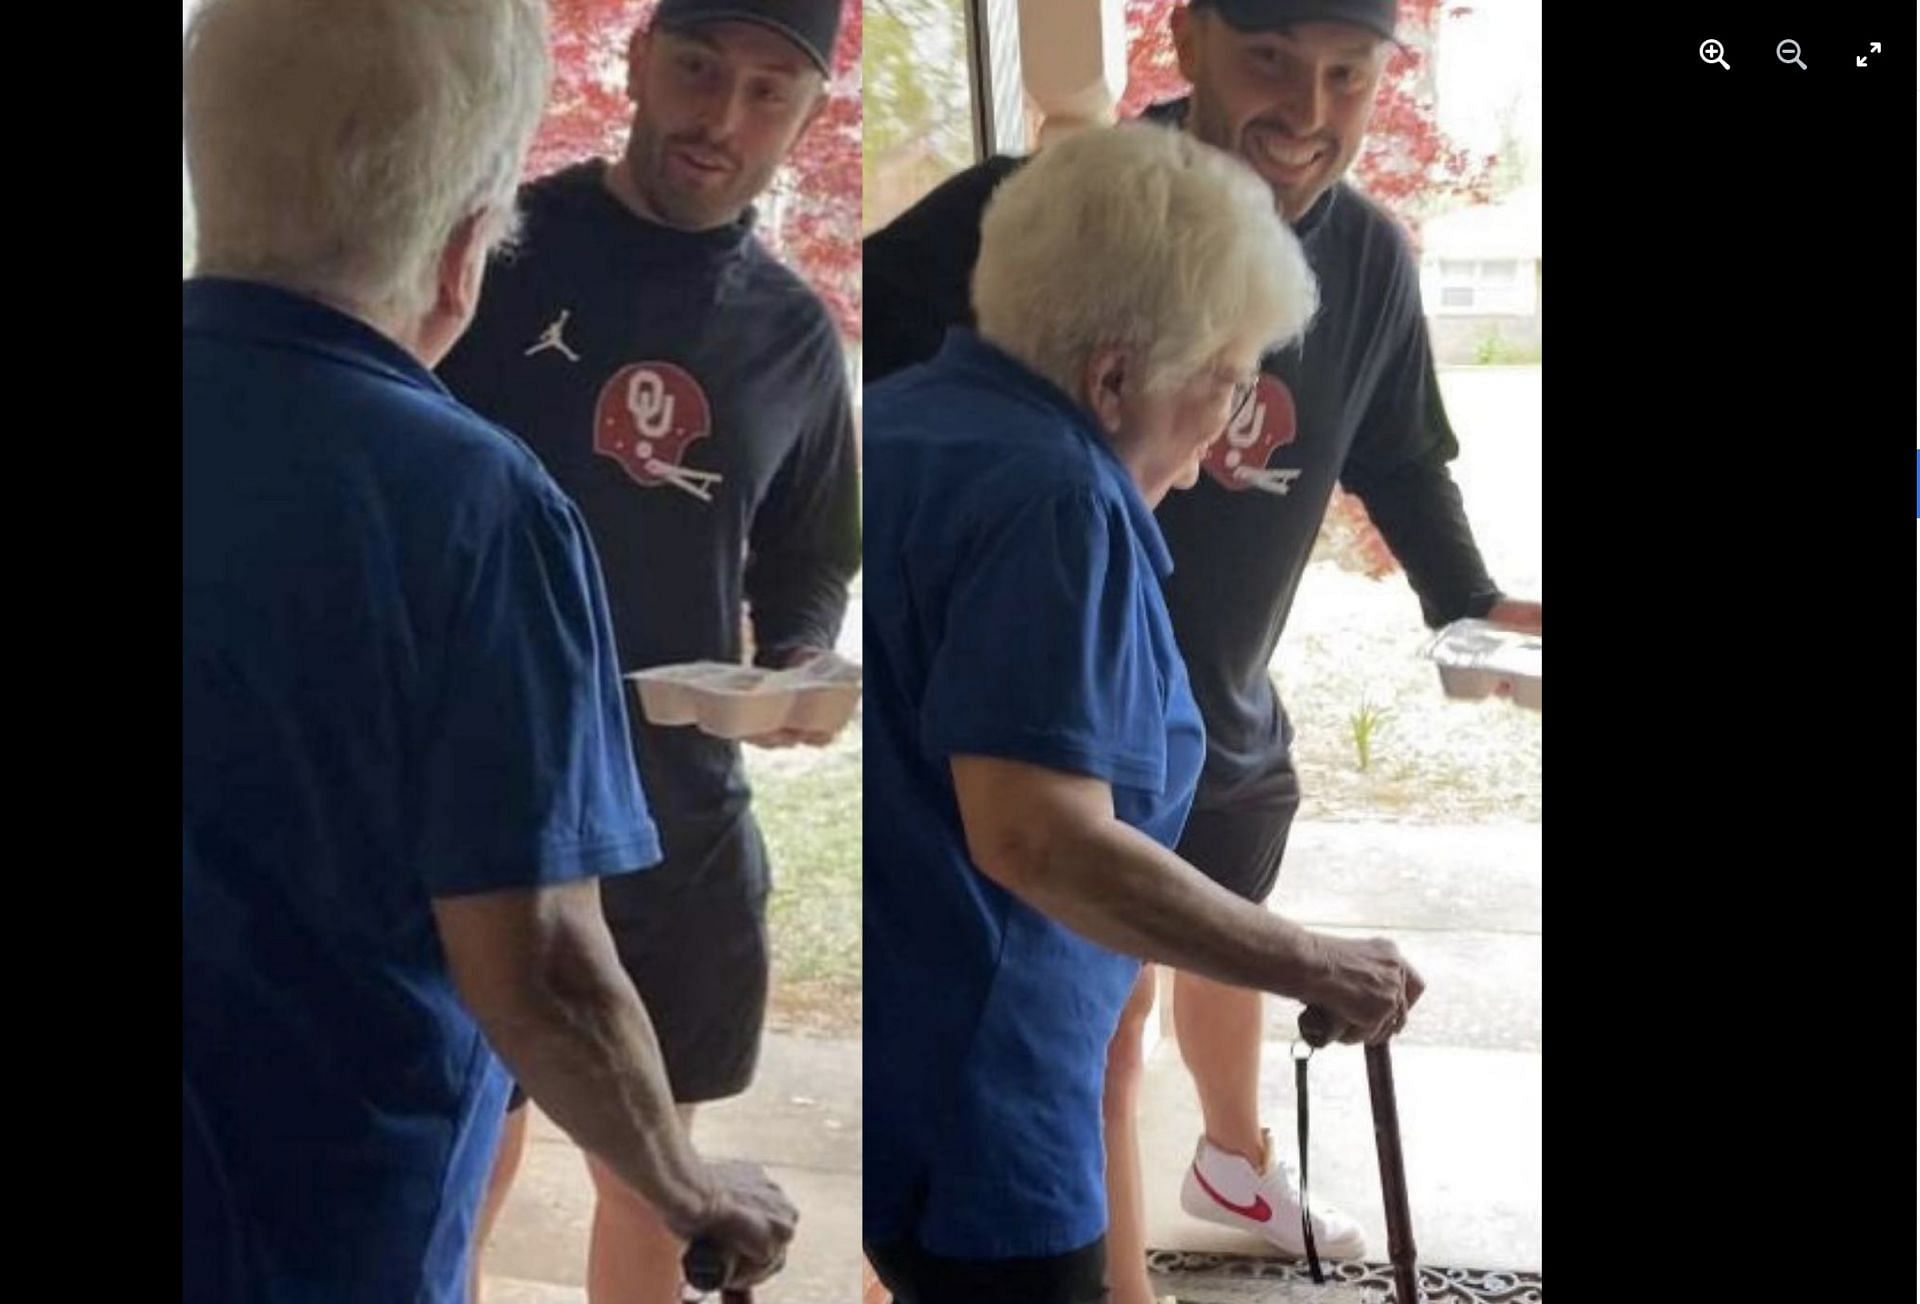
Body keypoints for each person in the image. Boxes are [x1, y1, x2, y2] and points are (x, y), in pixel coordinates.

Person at [863, 3, 1542, 1298]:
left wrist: (1482, 605)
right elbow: (1043, 842)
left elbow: (1403, 464)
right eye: (1228, 380)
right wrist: (1311, 958)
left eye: (1348, 75)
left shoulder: (948, 424)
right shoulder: (1060, 489)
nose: (1238, 430)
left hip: (1040, 894)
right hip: (982, 1062)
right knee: (1068, 1091)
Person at [183, 1, 795, 1299]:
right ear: (466, 251)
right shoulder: (474, 505)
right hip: (316, 1227)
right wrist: (692, 1188)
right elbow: (542, 966)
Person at [436, 2, 860, 1300]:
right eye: (695, 69)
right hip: (470, 799)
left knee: (653, 1159)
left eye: (768, 92)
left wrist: (796, 669)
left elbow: (807, 561)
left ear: (806, 114)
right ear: (634, 59)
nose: (721, 120)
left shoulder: (792, 331)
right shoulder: (489, 252)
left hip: (668, 810)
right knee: (463, 1148)